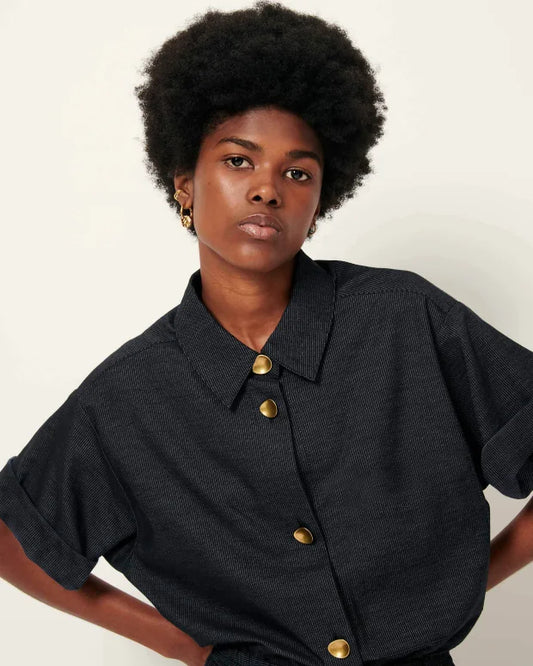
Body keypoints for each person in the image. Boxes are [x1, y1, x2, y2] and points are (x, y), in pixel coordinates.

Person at [1, 2, 533, 666]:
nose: (266, 190)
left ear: (320, 201)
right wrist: (184, 645)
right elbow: (15, 538)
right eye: (237, 161)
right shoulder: (128, 397)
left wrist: (460, 584)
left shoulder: (404, 317)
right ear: (185, 186)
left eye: (297, 172)